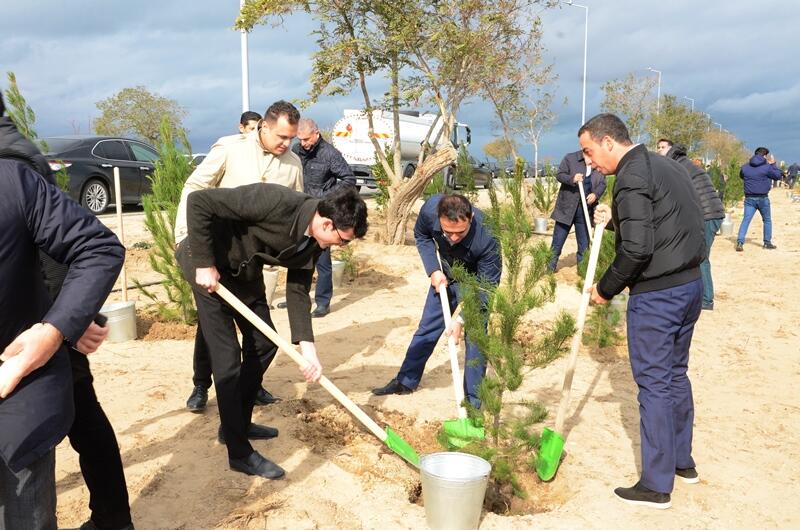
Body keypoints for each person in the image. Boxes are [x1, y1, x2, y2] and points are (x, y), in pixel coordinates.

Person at [0, 94, 133, 530]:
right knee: (84, 416)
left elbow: (52, 247)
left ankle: (113, 519)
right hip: (48, 320)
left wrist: (66, 322)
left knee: (83, 418)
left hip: (34, 335)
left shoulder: (14, 166)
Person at [177, 183, 367, 479]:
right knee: (227, 359)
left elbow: (297, 290)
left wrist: (309, 351)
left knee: (265, 343)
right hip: (206, 263)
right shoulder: (275, 201)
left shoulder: (315, 241)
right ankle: (239, 453)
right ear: (327, 223)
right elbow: (199, 201)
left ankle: (236, 424)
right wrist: (204, 263)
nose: (339, 246)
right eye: (342, 240)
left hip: (243, 273)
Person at [579, 113, 706, 509]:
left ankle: (656, 484)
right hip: (689, 285)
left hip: (658, 297)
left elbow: (638, 249)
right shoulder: (666, 164)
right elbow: (666, 220)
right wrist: (617, 219)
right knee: (674, 375)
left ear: (608, 142)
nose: (590, 162)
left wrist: (605, 289)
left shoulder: (631, 175)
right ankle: (682, 462)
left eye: (589, 151)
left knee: (653, 384)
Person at [176, 100, 304, 413]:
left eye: (291, 139)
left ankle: (250, 384)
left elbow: (297, 212)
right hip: (212, 251)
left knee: (260, 333)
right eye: (281, 137)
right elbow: (195, 187)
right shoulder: (231, 149)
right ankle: (201, 386)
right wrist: (184, 236)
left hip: (250, 259)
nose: (286, 144)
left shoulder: (293, 164)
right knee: (213, 328)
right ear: (265, 126)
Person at [371, 194, 501, 409]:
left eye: (460, 232)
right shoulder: (430, 209)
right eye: (447, 232)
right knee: (427, 328)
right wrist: (433, 270)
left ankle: (473, 403)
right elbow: (421, 236)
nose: (453, 238)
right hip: (445, 275)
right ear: (439, 217)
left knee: (476, 338)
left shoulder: (488, 236)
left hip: (477, 279)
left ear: (472, 217)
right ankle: (405, 381)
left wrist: (460, 319)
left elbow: (487, 285)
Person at [287, 117, 357, 317]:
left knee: (322, 261)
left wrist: (325, 197)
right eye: (300, 139)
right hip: (300, 212)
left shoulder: (330, 154)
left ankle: (323, 302)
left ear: (316, 134)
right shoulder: (296, 150)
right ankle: (298, 297)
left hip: (321, 215)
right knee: (297, 258)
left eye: (307, 139)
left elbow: (349, 179)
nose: (303, 143)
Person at [662, 143, 726, 311]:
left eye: (661, 147)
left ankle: (707, 300)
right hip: (710, 213)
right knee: (696, 256)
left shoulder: (677, 167)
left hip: (707, 215)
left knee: (701, 258)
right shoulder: (685, 163)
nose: (658, 150)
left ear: (670, 150)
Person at [548, 150, 606, 271]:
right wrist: (572, 178)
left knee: (584, 245)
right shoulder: (570, 158)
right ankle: (549, 269)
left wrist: (595, 194)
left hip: (585, 211)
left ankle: (583, 271)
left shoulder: (598, 161)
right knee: (557, 242)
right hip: (567, 209)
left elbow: (602, 183)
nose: (592, 162)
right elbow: (560, 175)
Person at [735, 147, 783, 251]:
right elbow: (778, 176)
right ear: (765, 156)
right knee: (767, 220)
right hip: (763, 198)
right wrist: (773, 164)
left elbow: (742, 176)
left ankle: (740, 242)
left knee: (746, 220)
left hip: (749, 198)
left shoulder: (745, 167)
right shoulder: (767, 167)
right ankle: (767, 243)